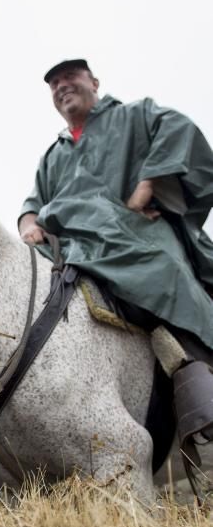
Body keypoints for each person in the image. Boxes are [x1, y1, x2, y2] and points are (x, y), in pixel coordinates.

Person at [19, 58, 213, 444]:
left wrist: (147, 183)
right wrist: (28, 222)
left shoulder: (134, 115)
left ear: (94, 81)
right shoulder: (53, 154)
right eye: (54, 83)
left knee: (164, 271)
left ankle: (197, 377)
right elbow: (33, 202)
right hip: (67, 249)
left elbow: (179, 129)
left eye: (70, 77)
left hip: (132, 232)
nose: (61, 85)